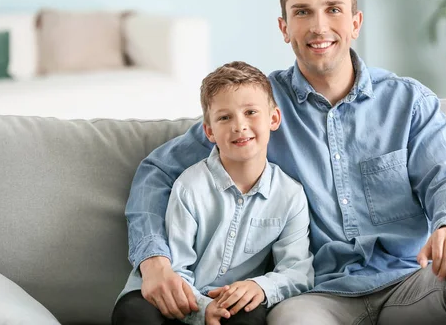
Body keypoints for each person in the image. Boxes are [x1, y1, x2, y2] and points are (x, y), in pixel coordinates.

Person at [115, 0, 446, 325]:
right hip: (319, 297)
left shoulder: (409, 102)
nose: (319, 26)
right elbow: (158, 172)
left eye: (333, 10)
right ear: (284, 27)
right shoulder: (256, 109)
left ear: (355, 22)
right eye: (303, 12)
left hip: (409, 282)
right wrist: (154, 261)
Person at [112, 61, 314, 325]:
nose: (239, 126)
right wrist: (202, 308)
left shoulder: (290, 195)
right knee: (136, 315)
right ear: (209, 131)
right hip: (175, 295)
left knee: (250, 316)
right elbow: (177, 267)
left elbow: (298, 270)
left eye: (251, 112)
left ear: (273, 118)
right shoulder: (189, 186)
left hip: (233, 301)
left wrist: (261, 286)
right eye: (224, 117)